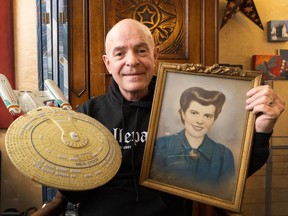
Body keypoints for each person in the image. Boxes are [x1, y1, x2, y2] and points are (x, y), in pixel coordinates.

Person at [32, 18, 285, 216]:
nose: (132, 61)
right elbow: (72, 192)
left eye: (141, 50)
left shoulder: (180, 110)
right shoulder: (87, 114)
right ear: (108, 64)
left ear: (155, 55)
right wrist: (51, 160)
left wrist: (263, 128)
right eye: (120, 54)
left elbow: (226, 177)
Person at [150, 87, 235, 200]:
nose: (200, 121)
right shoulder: (161, 146)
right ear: (183, 114)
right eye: (194, 113)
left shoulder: (224, 155)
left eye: (208, 116)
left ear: (214, 119)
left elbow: (225, 196)